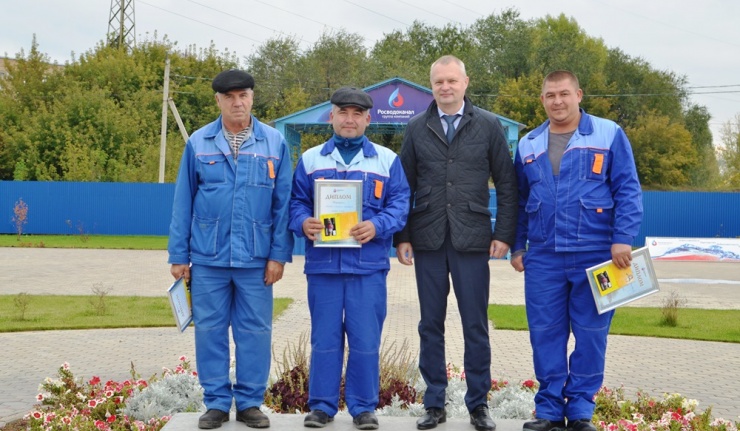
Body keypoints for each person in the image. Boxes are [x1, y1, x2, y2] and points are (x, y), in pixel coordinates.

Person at [510, 70, 643, 431]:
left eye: (564, 94)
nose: (558, 101)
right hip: (544, 256)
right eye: (550, 95)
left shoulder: (608, 133)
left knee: (591, 335)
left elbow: (628, 189)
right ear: (542, 99)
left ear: (579, 95)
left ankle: (581, 411)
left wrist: (623, 237)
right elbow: (520, 200)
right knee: (545, 334)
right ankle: (550, 411)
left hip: (597, 254)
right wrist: (518, 246)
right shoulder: (528, 144)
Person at [393, 55, 518, 431]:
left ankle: (478, 404)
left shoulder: (489, 125)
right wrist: (402, 236)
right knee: (430, 324)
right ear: (431, 86)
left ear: (465, 82)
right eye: (438, 82)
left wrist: (504, 234)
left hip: (473, 239)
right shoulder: (416, 126)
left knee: (475, 324)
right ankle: (434, 403)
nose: (445, 87)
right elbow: (403, 186)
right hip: (428, 239)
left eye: (451, 80)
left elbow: (507, 184)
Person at [167, 69, 293, 429]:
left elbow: (283, 204)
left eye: (244, 96)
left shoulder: (274, 143)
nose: (238, 103)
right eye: (230, 97)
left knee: (255, 332)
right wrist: (178, 256)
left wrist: (278, 256)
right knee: (210, 330)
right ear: (218, 100)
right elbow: (183, 202)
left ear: (252, 98)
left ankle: (250, 403)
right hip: (208, 259)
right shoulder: (199, 142)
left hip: (256, 259)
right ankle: (217, 403)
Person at [289, 86, 410, 430]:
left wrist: (377, 225)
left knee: (365, 341)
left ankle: (363, 408)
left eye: (358, 114)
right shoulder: (311, 159)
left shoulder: (387, 160)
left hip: (367, 269)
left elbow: (400, 204)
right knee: (324, 340)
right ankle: (321, 407)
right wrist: (303, 221)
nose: (349, 119)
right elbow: (296, 202)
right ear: (331, 116)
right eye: (343, 112)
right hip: (323, 268)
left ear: (368, 119)